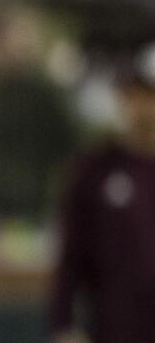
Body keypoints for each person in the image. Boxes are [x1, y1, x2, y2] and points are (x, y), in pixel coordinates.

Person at [49, 42, 155, 343]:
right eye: (136, 93)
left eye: (150, 95)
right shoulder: (95, 170)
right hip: (115, 328)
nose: (143, 106)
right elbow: (70, 258)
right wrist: (64, 326)